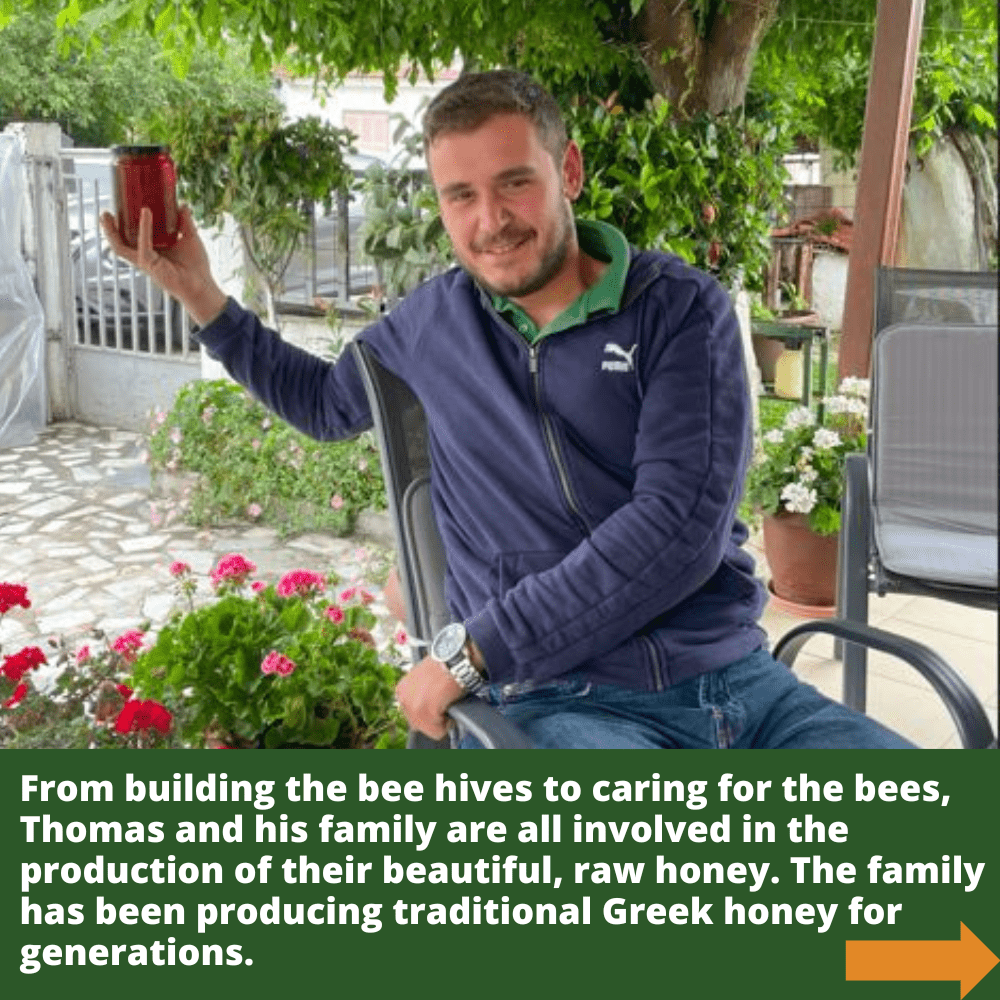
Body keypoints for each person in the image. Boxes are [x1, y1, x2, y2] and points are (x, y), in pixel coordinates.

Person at [102, 70, 913, 749]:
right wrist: (204, 297)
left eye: (514, 183)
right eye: (461, 196)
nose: (490, 222)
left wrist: (473, 651)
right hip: (569, 700)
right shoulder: (429, 325)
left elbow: (677, 528)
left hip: (740, 681)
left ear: (569, 172)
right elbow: (323, 404)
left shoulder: (676, 310)